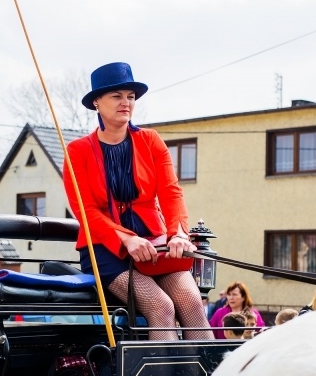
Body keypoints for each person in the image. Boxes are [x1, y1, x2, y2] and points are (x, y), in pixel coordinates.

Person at [63, 62, 212, 341]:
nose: (126, 103)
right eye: (116, 96)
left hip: (155, 244)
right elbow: (86, 211)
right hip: (106, 248)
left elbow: (171, 192)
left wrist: (179, 234)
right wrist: (127, 239)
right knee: (161, 307)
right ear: (96, 102)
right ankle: (163, 371)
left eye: (131, 97)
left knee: (192, 303)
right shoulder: (77, 151)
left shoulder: (151, 141)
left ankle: (209, 370)